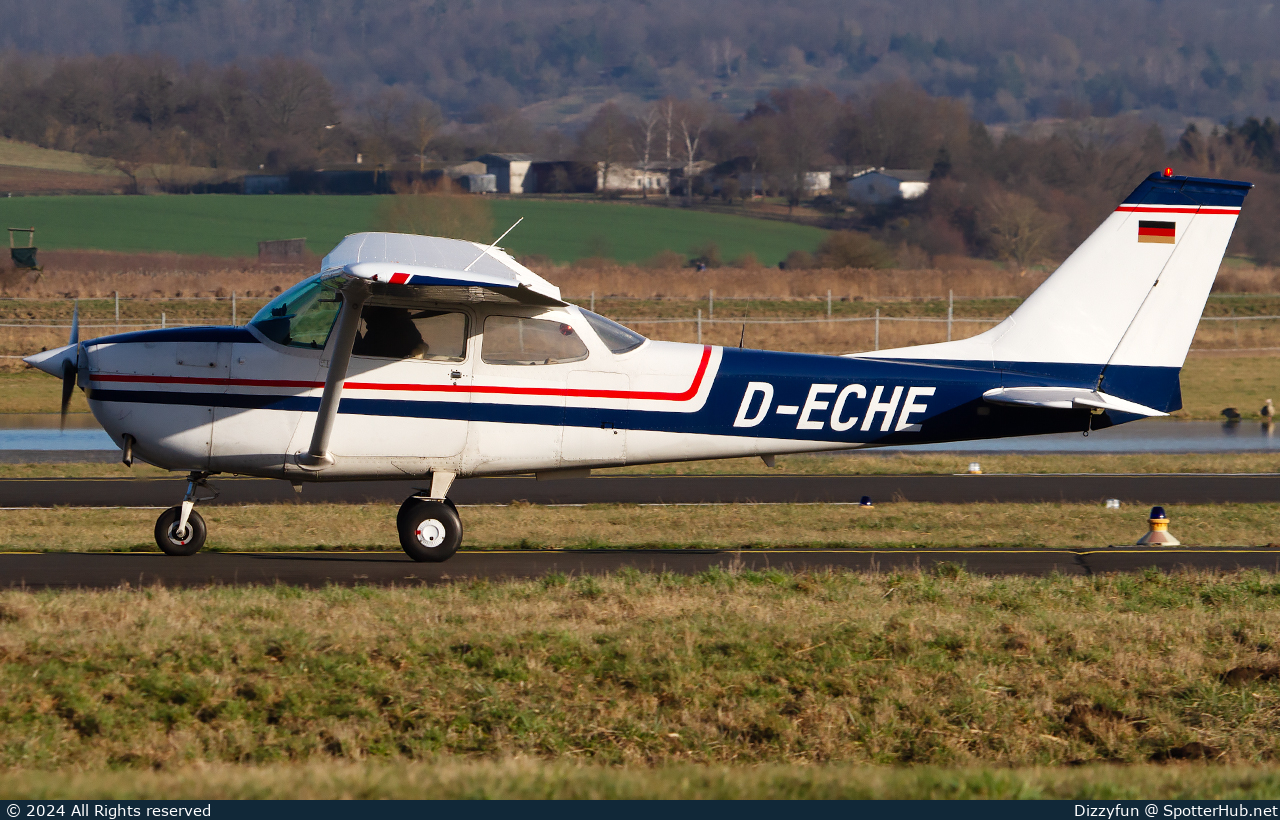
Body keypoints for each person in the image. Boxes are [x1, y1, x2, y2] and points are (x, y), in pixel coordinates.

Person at [352, 306, 428, 359]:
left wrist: (418, 352)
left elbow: (420, 346)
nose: (365, 318)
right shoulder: (403, 325)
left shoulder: (402, 327)